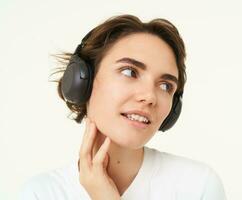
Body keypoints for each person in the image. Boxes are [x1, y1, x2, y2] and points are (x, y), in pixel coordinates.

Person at [20, 14, 226, 200]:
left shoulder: (198, 186)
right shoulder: (41, 193)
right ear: (82, 81)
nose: (149, 97)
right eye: (129, 72)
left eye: (165, 86)